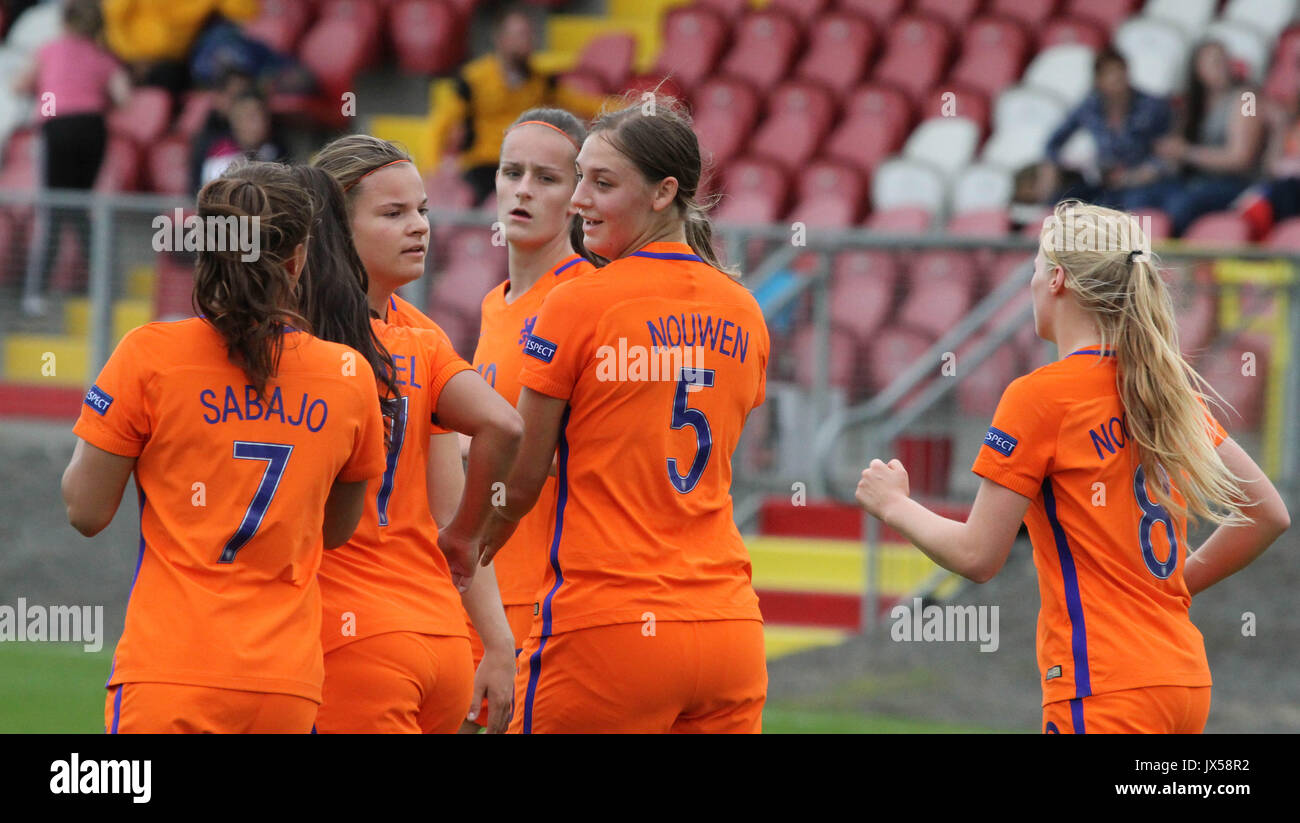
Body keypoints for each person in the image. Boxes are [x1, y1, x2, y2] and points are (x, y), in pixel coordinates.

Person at [854, 201, 1290, 734]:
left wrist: (893, 504)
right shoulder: (1165, 393)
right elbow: (1269, 514)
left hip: (1102, 685)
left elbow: (977, 556)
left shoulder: (1041, 397)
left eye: (1036, 268)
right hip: (1182, 680)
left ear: (1057, 279)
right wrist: (1170, 586)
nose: (1033, 282)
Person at [62, 162, 389, 733]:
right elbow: (335, 530)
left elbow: (85, 511)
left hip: (171, 672)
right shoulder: (348, 373)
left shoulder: (149, 354)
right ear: (297, 258)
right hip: (284, 684)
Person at [479, 95, 772, 733]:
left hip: (608, 625)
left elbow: (523, 479)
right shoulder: (744, 309)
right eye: (579, 176)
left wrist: (467, 548)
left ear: (665, 192)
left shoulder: (579, 302)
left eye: (601, 183)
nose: (578, 199)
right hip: (728, 627)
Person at [309, 139, 523, 733]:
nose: (421, 227)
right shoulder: (422, 337)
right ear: (335, 228)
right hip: (439, 641)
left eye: (423, 210)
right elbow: (495, 437)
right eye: (394, 213)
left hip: (346, 637)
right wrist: (496, 640)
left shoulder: (291, 341)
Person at [456, 107, 599, 733]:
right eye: (511, 172)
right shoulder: (496, 304)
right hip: (483, 594)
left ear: (578, 197)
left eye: (546, 178)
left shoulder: (584, 300)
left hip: (546, 604)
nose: (522, 190)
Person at [15, 0, 130, 316]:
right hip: (92, 129)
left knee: (53, 208)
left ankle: (36, 294)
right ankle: (100, 286)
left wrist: (47, 93)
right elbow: (124, 97)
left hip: (56, 127)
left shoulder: (49, 50)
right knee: (81, 206)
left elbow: (21, 84)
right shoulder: (103, 56)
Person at [429, 4, 605, 204]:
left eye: (529, 35)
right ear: (500, 39)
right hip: (483, 164)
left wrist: (628, 106)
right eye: (519, 35)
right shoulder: (473, 80)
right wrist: (434, 169)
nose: (526, 42)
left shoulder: (541, 83)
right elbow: (440, 124)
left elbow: (585, 103)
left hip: (526, 164)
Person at [1128, 41, 1265, 235]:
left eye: (1225, 60)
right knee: (1139, 198)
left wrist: (1185, 152)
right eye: (1214, 62)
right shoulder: (1193, 102)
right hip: (1194, 180)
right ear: (1198, 70)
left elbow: (1241, 158)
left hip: (1232, 183)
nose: (1223, 66)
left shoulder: (1247, 97)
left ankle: (1172, 260)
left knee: (1180, 205)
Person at [1037, 47, 1172, 207]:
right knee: (1065, 202)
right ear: (1098, 80)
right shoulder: (1090, 106)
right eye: (1109, 73)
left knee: (1133, 205)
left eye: (1120, 71)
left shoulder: (1152, 106)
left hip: (1142, 180)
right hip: (1104, 182)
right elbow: (1055, 140)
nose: (1117, 78)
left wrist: (1139, 175)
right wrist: (1051, 166)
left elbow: (1169, 150)